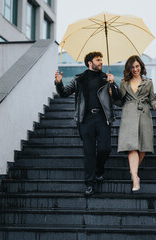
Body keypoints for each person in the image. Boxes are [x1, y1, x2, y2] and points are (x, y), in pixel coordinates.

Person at [54, 51, 119, 196]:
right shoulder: (79, 79)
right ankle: (89, 183)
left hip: (103, 118)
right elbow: (64, 93)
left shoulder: (106, 78)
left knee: (105, 148)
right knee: (89, 152)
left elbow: (118, 98)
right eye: (98, 59)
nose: (101, 62)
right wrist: (58, 83)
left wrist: (113, 83)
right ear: (90, 63)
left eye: (101, 59)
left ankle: (98, 171)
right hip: (86, 119)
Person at [115, 55, 156, 192]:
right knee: (132, 146)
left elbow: (152, 99)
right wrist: (112, 92)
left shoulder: (148, 82)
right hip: (129, 114)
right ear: (129, 68)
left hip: (144, 114)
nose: (135, 69)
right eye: (132, 67)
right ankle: (135, 178)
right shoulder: (124, 82)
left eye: (137, 66)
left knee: (143, 147)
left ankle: (132, 171)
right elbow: (120, 101)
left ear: (141, 66)